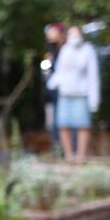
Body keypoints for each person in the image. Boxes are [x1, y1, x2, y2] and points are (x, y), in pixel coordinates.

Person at [48, 25, 100, 162]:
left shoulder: (88, 50)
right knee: (63, 124)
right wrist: (53, 82)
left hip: (81, 94)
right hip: (65, 93)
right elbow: (60, 71)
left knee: (83, 124)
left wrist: (94, 99)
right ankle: (69, 155)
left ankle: (81, 156)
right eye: (71, 34)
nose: (74, 37)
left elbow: (93, 76)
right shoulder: (65, 50)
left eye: (76, 34)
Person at [43, 23, 66, 156]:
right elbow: (46, 72)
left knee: (63, 120)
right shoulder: (49, 51)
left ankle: (65, 148)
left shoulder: (65, 49)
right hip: (52, 92)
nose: (49, 35)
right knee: (53, 121)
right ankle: (58, 147)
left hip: (64, 90)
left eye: (52, 32)